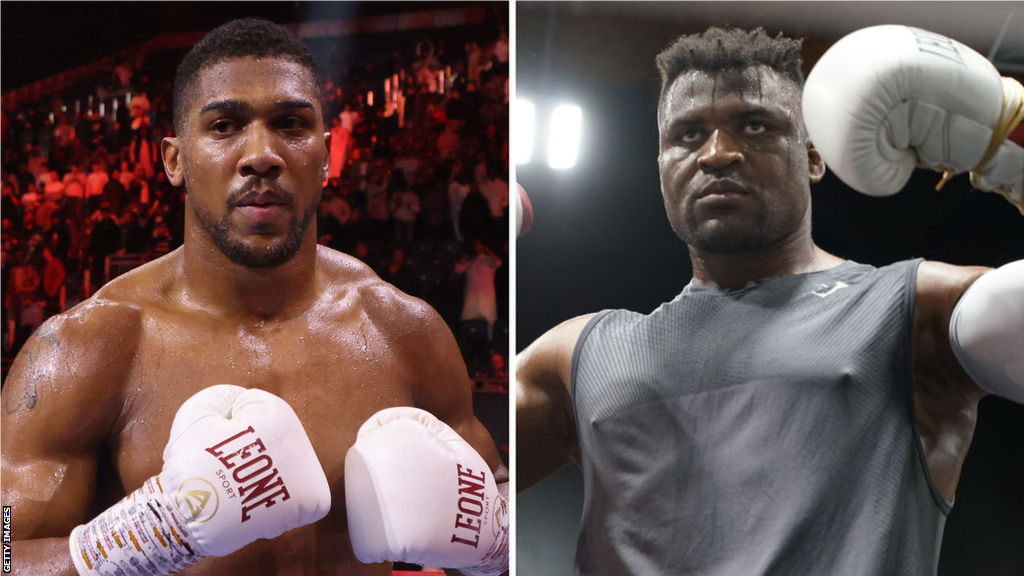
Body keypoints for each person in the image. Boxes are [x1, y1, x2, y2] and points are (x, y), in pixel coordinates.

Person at [1, 18, 507, 576]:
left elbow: (497, 519)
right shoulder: (84, 348)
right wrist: (146, 535)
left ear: (325, 155)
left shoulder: (405, 332)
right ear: (174, 160)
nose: (261, 154)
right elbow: (4, 552)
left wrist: (497, 546)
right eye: (225, 126)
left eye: (290, 124)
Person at [516, 26, 1024, 575]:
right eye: (686, 135)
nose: (716, 154)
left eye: (754, 126)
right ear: (660, 165)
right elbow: (452, 470)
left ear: (811, 155)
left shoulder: (907, 312)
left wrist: (1016, 140)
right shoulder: (582, 357)